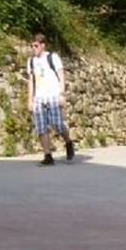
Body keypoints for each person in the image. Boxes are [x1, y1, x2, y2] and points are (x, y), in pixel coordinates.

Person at [26, 34, 75, 165]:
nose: (33, 48)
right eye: (32, 46)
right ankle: (48, 155)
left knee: (57, 124)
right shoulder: (31, 61)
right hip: (39, 97)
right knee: (41, 127)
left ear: (43, 45)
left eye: (36, 46)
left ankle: (68, 142)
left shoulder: (52, 58)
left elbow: (61, 76)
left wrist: (62, 95)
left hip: (53, 95)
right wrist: (30, 100)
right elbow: (31, 81)